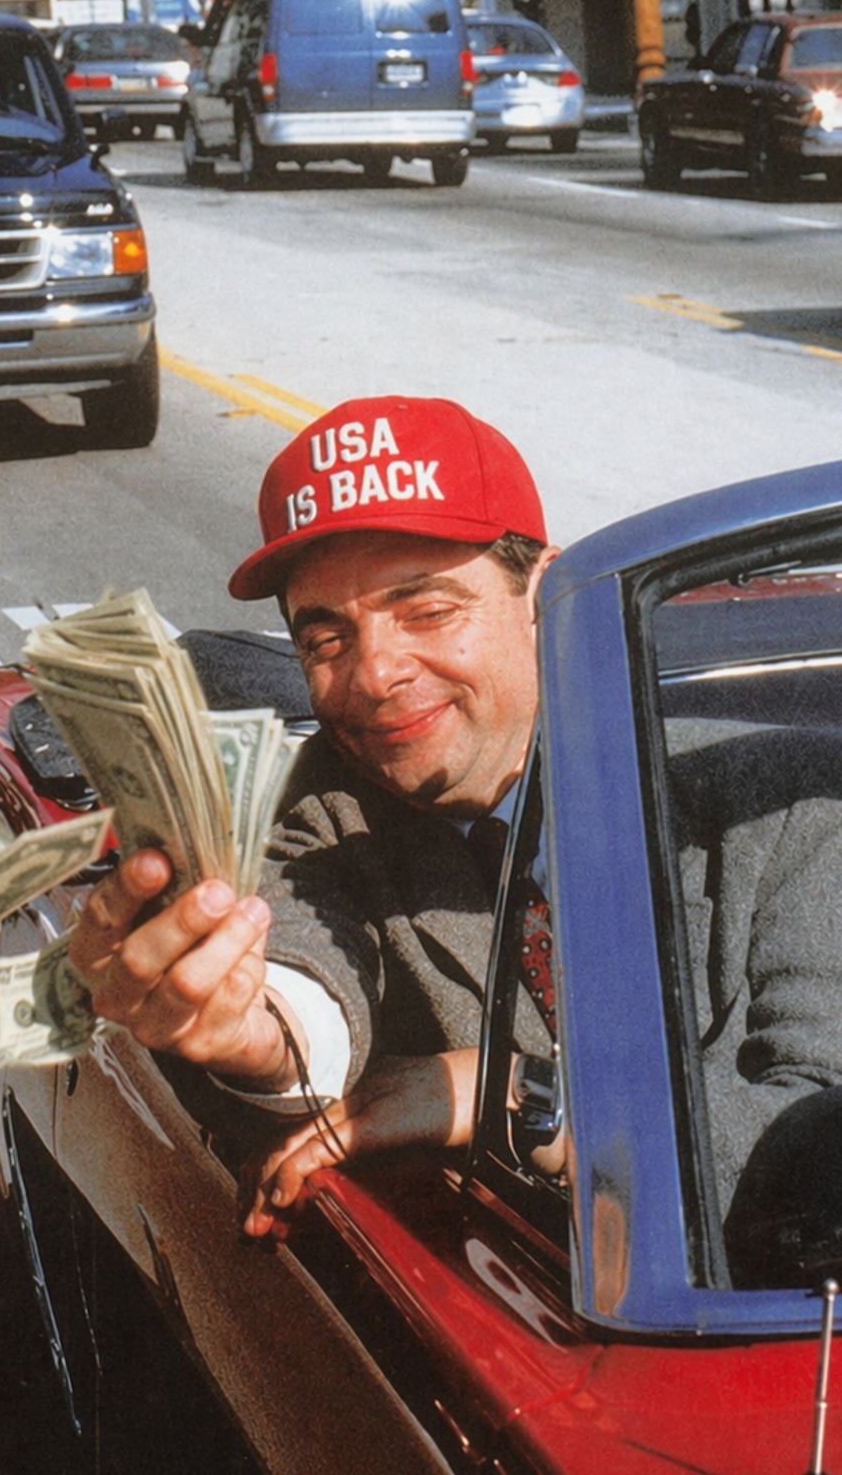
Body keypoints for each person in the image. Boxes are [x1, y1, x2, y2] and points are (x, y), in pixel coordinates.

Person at [68, 396, 560, 1217]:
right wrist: (246, 1032)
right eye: (326, 639)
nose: (374, 675)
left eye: (428, 610)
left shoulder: (756, 791)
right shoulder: (313, 805)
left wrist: (520, 1094)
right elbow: (300, 972)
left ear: (543, 595)